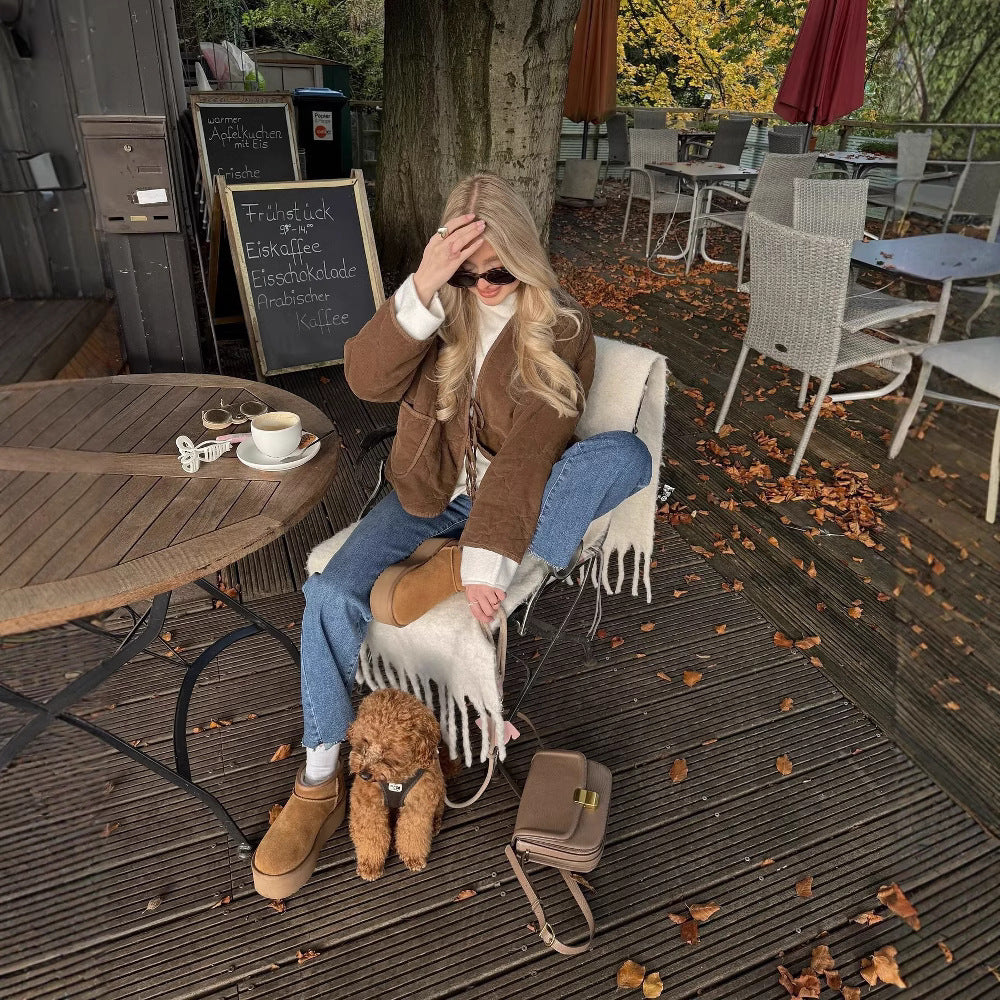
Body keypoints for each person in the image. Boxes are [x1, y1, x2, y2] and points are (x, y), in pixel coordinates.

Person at [251, 172, 652, 899]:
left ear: (523, 255)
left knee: (624, 455)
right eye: (468, 273)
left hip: (520, 501)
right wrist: (424, 287)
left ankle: (480, 558)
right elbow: (365, 380)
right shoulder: (438, 308)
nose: (484, 286)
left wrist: (490, 558)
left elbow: (533, 447)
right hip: (430, 495)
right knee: (330, 592)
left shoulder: (561, 324)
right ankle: (318, 778)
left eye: (498, 271)